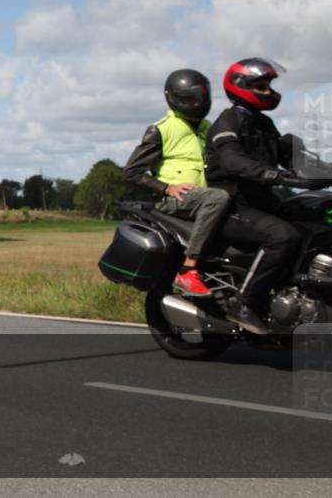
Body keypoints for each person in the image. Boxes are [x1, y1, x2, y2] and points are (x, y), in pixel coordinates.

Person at [205, 58, 301, 335]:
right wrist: (273, 175)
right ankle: (243, 303)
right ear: (240, 86)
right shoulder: (228, 121)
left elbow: (293, 158)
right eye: (261, 87)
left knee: (317, 222)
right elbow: (232, 160)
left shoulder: (264, 123)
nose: (269, 92)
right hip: (233, 206)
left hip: (261, 203)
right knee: (282, 236)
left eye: (269, 86)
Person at [124, 69, 231, 297]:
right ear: (175, 99)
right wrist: (166, 188)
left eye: (201, 97)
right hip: (177, 199)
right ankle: (188, 269)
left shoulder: (207, 127)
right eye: (190, 99)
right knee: (218, 198)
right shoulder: (161, 129)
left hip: (203, 197)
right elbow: (132, 172)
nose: (197, 103)